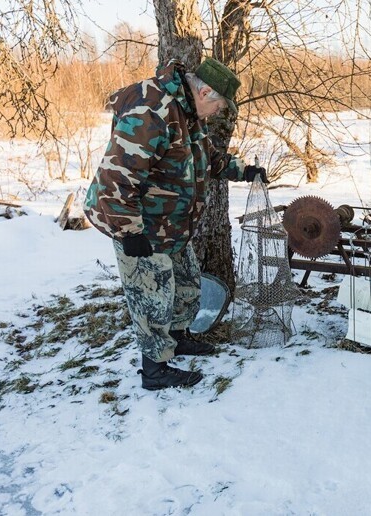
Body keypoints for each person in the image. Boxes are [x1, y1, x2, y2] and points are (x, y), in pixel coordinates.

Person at [84, 58, 266, 390]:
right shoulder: (151, 111)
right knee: (151, 294)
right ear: (205, 90)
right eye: (219, 105)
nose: (218, 112)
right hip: (138, 222)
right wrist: (130, 233)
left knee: (185, 283)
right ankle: (155, 370)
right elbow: (116, 180)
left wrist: (244, 171)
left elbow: (205, 157)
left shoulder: (188, 111)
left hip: (170, 223)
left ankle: (178, 337)